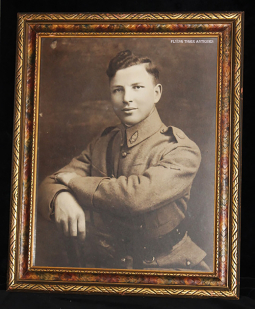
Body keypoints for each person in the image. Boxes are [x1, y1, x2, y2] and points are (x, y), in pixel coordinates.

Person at [38, 50, 210, 271]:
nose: (127, 98)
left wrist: (72, 183)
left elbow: (134, 198)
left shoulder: (180, 149)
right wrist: (61, 197)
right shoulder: (103, 142)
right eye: (118, 90)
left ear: (156, 93)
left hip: (168, 267)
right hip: (107, 265)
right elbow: (48, 184)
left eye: (137, 87)